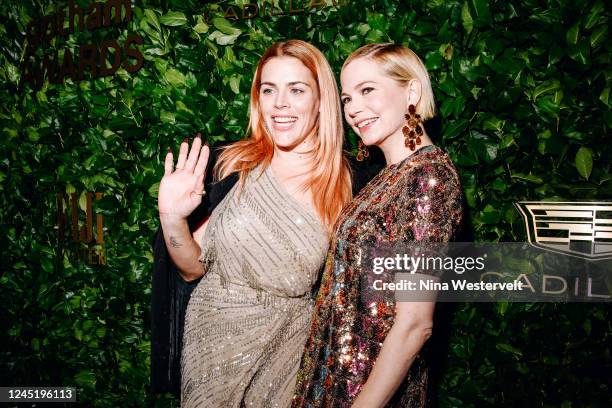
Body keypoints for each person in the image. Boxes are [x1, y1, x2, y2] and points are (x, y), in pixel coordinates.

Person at [156, 40, 355, 407]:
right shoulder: (235, 165)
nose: (280, 103)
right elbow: (190, 269)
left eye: (296, 90)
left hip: (288, 351)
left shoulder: (348, 186)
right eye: (269, 90)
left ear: (321, 100)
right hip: (211, 343)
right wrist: (171, 216)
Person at [292, 43, 464, 407]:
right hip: (332, 381)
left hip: (371, 393)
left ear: (411, 91)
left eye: (367, 90)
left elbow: (416, 324)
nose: (354, 109)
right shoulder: (387, 177)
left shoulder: (428, 177)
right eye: (347, 98)